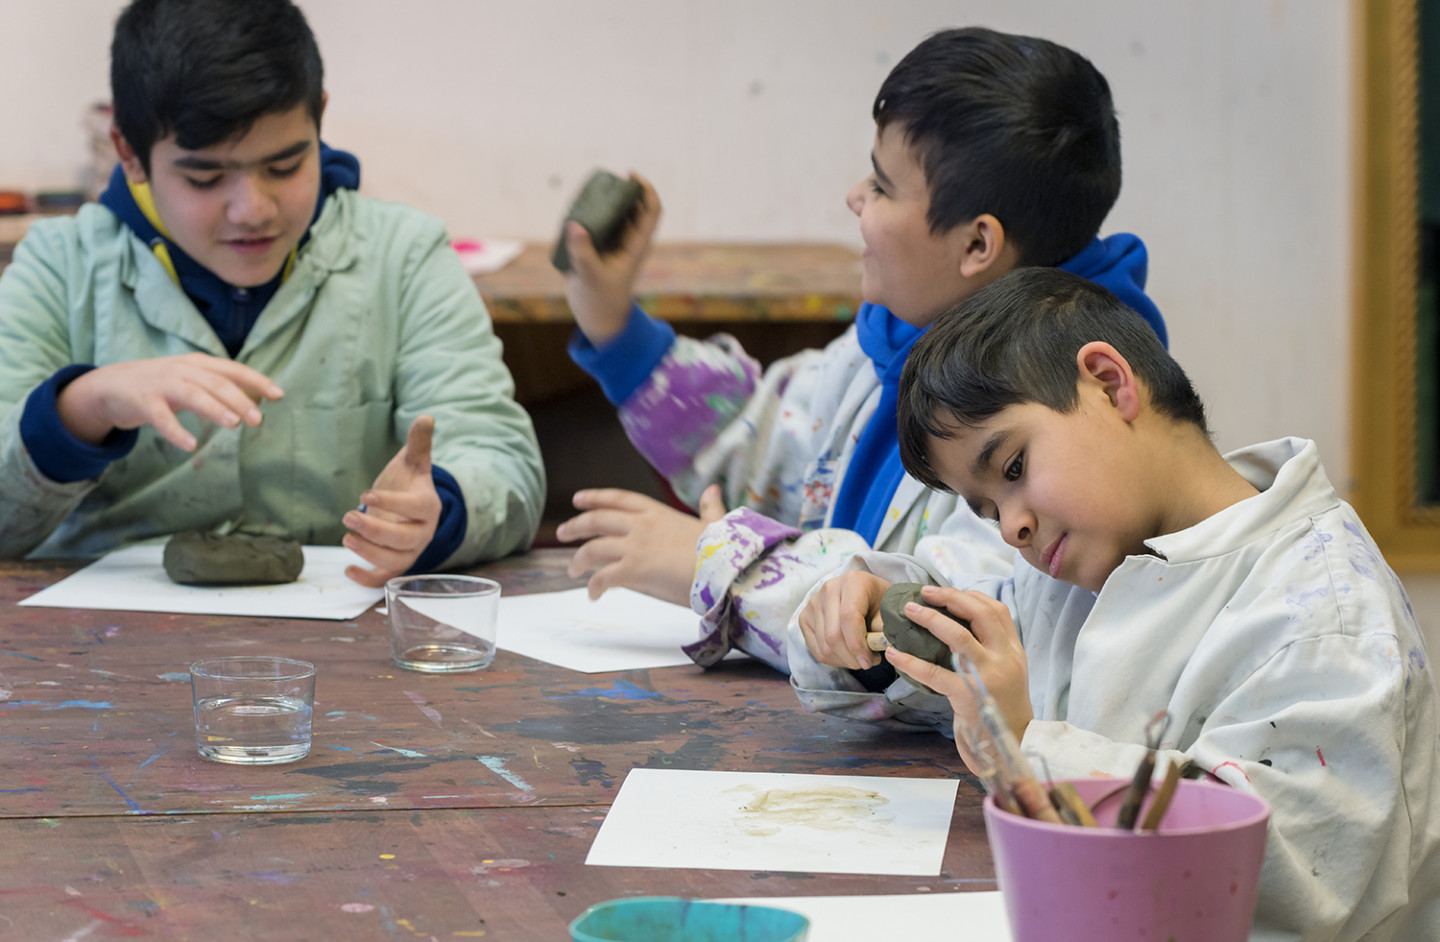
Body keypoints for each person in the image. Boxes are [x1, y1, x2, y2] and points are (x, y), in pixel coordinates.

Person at [793, 267, 1440, 940]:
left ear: (1109, 383)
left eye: (1013, 469)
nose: (1011, 526)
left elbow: (1284, 869)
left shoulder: (1325, 613)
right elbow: (981, 682)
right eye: (988, 511)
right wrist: (876, 624)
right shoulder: (1079, 570)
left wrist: (1026, 746)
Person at [556, 27, 1166, 674]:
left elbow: (953, 625)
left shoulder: (1057, 417)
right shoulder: (897, 334)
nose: (855, 198)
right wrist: (616, 328)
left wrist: (723, 568)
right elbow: (765, 439)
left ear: (976, 246)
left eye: (881, 186)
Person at [0, 0, 544, 585]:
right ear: (129, 152)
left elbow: (505, 464)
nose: (252, 211)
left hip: (343, 641)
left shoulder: (403, 257)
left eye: (285, 166)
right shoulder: (59, 266)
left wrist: (442, 509)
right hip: (95, 651)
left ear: (319, 121)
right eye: (205, 179)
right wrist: (83, 408)